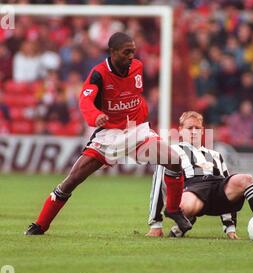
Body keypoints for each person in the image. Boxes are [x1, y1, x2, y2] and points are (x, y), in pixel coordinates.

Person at [25, 32, 192, 235]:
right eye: (126, 52)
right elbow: (85, 100)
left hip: (137, 132)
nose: (131, 56)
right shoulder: (98, 73)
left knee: (173, 160)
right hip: (109, 137)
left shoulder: (137, 67)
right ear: (112, 52)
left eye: (133, 51)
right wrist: (95, 116)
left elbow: (134, 96)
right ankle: (41, 224)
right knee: (71, 181)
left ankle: (173, 209)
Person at [146, 111, 253, 240]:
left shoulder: (215, 155)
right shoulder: (171, 151)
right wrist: (155, 224)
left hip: (218, 187)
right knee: (181, 208)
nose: (194, 131)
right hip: (193, 188)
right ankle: (181, 226)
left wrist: (230, 228)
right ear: (180, 130)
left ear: (202, 131)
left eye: (197, 128)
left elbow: (226, 183)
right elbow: (158, 184)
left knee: (246, 179)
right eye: (189, 128)